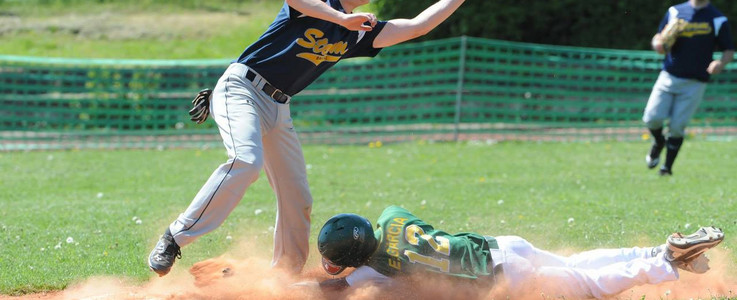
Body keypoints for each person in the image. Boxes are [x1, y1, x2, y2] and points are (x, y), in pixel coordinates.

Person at [148, 0, 468, 277]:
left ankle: (283, 275)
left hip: (278, 106)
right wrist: (341, 18)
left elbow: (417, 26)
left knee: (297, 197)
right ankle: (175, 237)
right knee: (246, 161)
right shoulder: (320, 7)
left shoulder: (360, 31)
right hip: (242, 88)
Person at [305, 205, 724, 299]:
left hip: (506, 278)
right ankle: (657, 250)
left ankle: (665, 261)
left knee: (589, 286)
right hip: (503, 245)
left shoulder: (375, 270)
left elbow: (331, 288)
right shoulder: (392, 215)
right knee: (575, 266)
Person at [643, 0, 734, 176]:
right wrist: (658, 44)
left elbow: (728, 49)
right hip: (669, 76)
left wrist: (720, 63)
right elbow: (658, 37)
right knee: (651, 118)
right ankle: (658, 142)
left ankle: (666, 168)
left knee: (677, 126)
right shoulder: (676, 11)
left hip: (695, 81)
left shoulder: (717, 18)